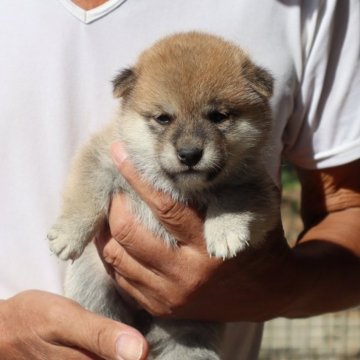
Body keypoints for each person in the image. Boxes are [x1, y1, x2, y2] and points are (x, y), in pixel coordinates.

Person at [0, 0, 359, 359]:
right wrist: (78, 221)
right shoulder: (120, 144)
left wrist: (276, 286)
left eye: (218, 117)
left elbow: (332, 204)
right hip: (97, 284)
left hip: (195, 323)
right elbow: (94, 167)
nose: (189, 146)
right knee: (90, 282)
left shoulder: (309, 9)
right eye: (162, 119)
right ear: (130, 106)